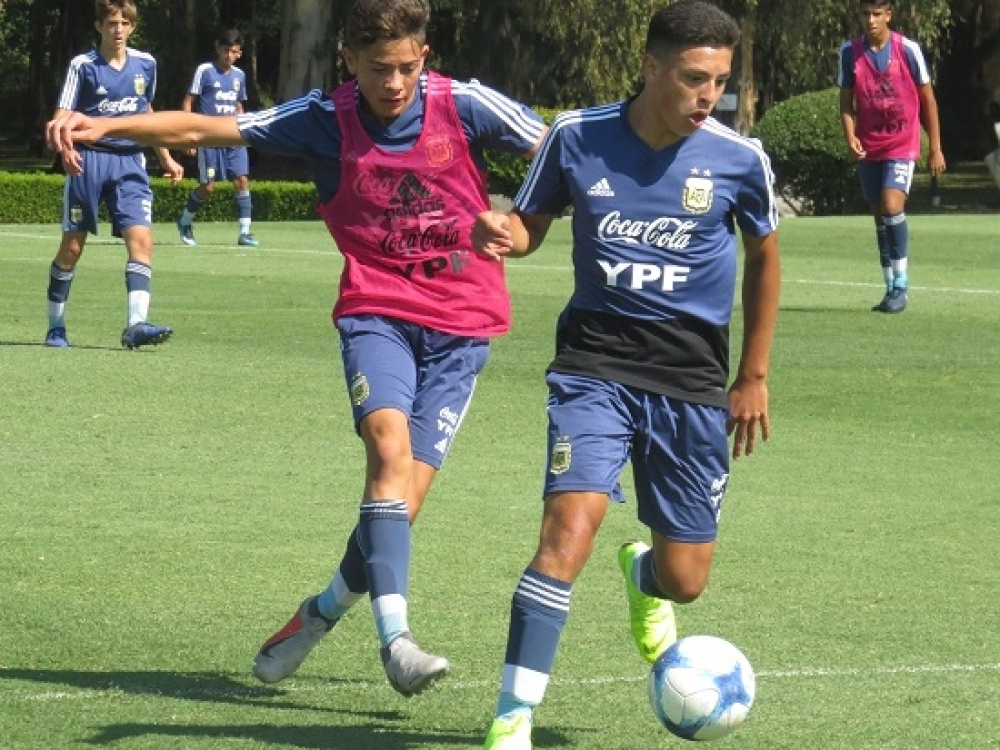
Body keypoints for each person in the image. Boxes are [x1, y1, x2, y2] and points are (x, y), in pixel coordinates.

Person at [48, 0, 545, 697]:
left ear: (424, 58)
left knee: (398, 509)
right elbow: (202, 126)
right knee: (387, 452)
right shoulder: (324, 117)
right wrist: (104, 125)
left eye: (406, 68)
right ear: (349, 60)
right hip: (378, 312)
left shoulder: (465, 105)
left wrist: (516, 224)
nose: (394, 82)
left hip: (464, 326)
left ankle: (320, 612)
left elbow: (560, 152)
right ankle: (397, 642)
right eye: (378, 69)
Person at [469, 2, 780, 747]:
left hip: (691, 379)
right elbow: (529, 225)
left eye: (720, 82)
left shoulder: (740, 159)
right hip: (594, 365)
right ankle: (512, 719)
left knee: (686, 582)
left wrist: (753, 374)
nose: (709, 96)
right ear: (650, 67)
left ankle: (645, 580)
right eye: (694, 78)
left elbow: (766, 257)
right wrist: (502, 232)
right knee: (568, 532)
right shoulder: (576, 136)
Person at [45, 0, 182, 350]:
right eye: (111, 23)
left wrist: (165, 156)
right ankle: (56, 327)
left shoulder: (146, 64)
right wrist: (66, 150)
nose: (118, 30)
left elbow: (146, 115)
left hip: (130, 161)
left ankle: (136, 325)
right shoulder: (83, 66)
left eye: (124, 23)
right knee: (72, 249)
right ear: (99, 26)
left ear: (132, 27)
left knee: (142, 241)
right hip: (89, 160)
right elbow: (62, 115)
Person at [838, 0, 945, 314]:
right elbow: (845, 103)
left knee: (891, 206)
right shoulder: (850, 52)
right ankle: (889, 287)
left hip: (901, 143)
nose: (871, 20)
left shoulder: (907, 50)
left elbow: (928, 101)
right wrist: (850, 136)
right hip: (869, 146)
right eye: (865, 14)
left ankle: (901, 285)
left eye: (877, 14)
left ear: (888, 15)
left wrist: (935, 147)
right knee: (879, 217)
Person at [177, 28, 258, 248]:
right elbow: (189, 101)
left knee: (241, 181)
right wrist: (187, 135)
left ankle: (245, 232)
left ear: (239, 53)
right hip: (209, 138)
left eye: (234, 52)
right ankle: (185, 222)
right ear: (218, 49)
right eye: (225, 50)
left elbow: (238, 105)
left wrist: (245, 130)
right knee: (208, 187)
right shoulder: (205, 70)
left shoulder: (239, 75)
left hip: (233, 136)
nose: (229, 56)